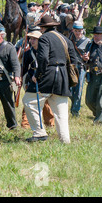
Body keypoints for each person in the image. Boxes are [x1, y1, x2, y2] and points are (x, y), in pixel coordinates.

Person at [23, 15, 76, 143]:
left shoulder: (44, 38)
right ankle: (65, 140)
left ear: (42, 28)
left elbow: (43, 59)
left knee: (29, 100)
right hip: (63, 78)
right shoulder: (65, 39)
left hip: (48, 76)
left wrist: (38, 75)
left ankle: (39, 132)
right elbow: (74, 60)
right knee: (61, 113)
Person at [20, 30, 55, 129]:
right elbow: (24, 68)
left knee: (46, 102)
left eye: (35, 39)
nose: (32, 41)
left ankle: (49, 123)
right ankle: (25, 124)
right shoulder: (27, 53)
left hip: (44, 80)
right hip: (32, 80)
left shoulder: (46, 51)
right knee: (28, 102)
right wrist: (22, 79)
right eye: (31, 39)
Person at [69, 21, 90, 117]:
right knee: (68, 89)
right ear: (73, 30)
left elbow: (90, 56)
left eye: (80, 30)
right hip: (70, 67)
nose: (78, 33)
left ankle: (75, 111)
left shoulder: (88, 41)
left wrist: (87, 58)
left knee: (78, 90)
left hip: (81, 67)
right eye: (76, 30)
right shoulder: (69, 39)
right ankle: (73, 105)